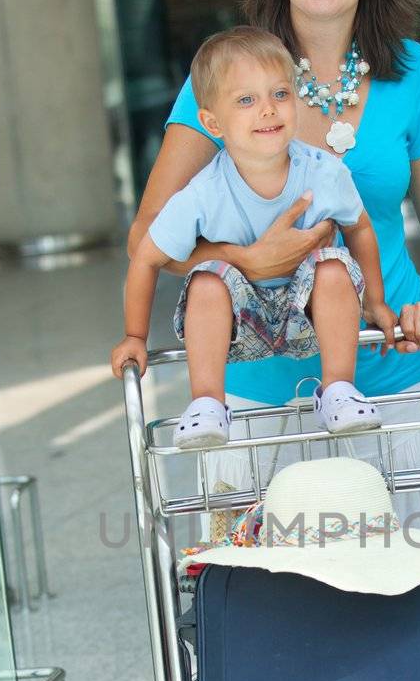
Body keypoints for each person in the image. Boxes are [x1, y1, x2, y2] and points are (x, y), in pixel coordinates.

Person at [124, 0, 420, 526]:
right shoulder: (227, 79)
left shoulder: (412, 72)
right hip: (258, 400)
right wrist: (245, 262)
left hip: (400, 383)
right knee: (274, 615)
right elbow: (145, 236)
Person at [110, 28, 394, 448]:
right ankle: (207, 403)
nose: (267, 110)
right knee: (207, 279)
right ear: (212, 122)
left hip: (310, 314)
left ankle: (337, 391)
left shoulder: (323, 171)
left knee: (332, 266)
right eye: (246, 100)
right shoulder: (203, 192)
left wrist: (376, 302)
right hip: (239, 326)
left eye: (280, 94)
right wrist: (135, 335)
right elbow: (146, 257)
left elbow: (360, 227)